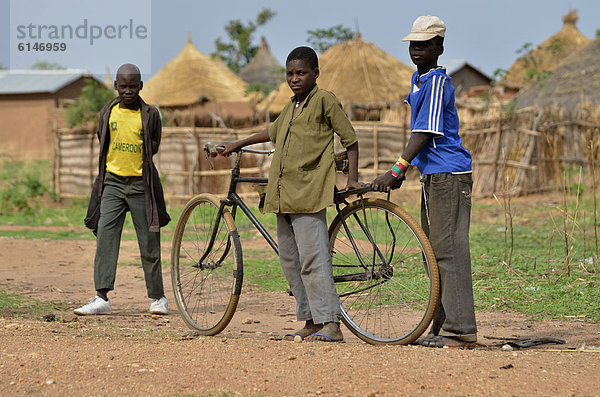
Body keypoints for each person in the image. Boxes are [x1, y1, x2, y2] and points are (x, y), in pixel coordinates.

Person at [218, 46, 361, 342]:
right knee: (290, 260)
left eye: (301, 73)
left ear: (315, 74)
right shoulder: (291, 106)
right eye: (290, 74)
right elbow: (272, 132)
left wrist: (353, 180)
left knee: (313, 259)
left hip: (309, 192)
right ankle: (310, 320)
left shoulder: (324, 101)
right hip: (283, 193)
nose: (294, 79)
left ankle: (331, 323)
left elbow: (351, 140)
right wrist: (238, 143)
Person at [371, 15, 477, 348]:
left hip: (449, 174)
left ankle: (459, 331)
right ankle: (442, 328)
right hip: (435, 175)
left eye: (425, 44)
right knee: (433, 252)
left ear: (439, 47)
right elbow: (424, 139)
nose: (417, 49)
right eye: (414, 44)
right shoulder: (418, 81)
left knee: (449, 251)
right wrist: (410, 169)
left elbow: (424, 133)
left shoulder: (436, 83)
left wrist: (397, 169)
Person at [75, 63, 171, 316]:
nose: (128, 91)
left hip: (141, 184)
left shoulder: (150, 114)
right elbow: (102, 139)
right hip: (113, 184)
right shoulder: (108, 112)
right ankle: (101, 298)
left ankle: (158, 298)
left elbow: (154, 144)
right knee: (106, 239)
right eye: (123, 86)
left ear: (140, 86)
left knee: (149, 242)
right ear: (116, 86)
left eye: (132, 86)